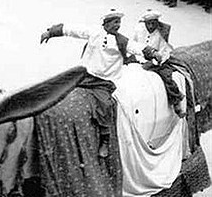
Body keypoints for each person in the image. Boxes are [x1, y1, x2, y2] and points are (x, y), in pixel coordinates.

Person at [40, 9, 157, 158]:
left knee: (104, 105)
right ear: (106, 23)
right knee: (63, 84)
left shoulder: (121, 40)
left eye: (119, 22)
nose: (118, 25)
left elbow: (136, 47)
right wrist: (51, 32)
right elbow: (73, 30)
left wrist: (152, 53)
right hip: (84, 74)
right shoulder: (94, 33)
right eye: (115, 22)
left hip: (103, 81)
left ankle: (105, 138)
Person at [132, 10, 185, 117]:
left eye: (153, 23)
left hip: (157, 62)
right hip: (139, 58)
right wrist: (139, 59)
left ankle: (176, 102)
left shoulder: (160, 34)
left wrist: (154, 61)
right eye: (148, 23)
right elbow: (134, 45)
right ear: (145, 23)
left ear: (157, 22)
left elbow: (164, 51)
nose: (151, 26)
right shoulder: (139, 30)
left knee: (167, 77)